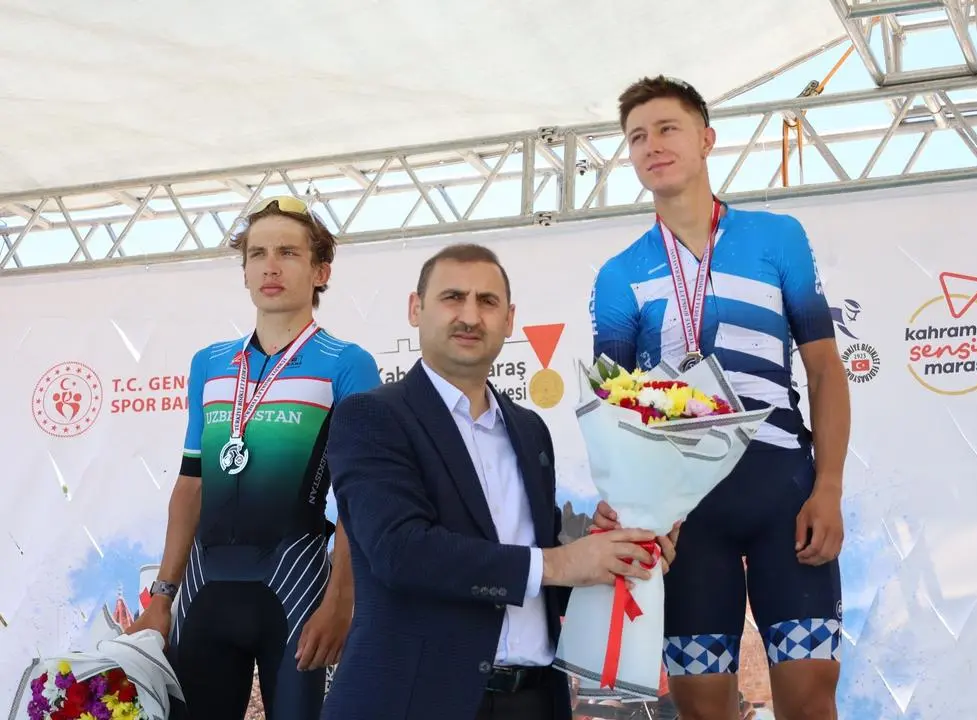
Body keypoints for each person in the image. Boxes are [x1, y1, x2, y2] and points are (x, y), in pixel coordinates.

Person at [320, 243, 677, 720]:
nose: (470, 316)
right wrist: (560, 562)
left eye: (487, 302)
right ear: (415, 309)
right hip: (415, 702)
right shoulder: (371, 417)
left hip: (534, 701)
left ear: (509, 320)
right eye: (453, 297)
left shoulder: (530, 430)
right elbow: (400, 551)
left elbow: (539, 574)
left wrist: (618, 552)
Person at [588, 76, 850, 720]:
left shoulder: (777, 238)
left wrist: (829, 488)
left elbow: (823, 368)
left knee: (810, 700)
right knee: (703, 709)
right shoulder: (618, 274)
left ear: (706, 139)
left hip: (783, 491)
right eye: (637, 137)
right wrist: (625, 502)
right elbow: (615, 406)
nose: (652, 145)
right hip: (685, 513)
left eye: (667, 129)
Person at [125, 196, 382, 719]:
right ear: (243, 272)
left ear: (321, 271)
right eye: (257, 254)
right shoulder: (211, 364)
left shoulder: (347, 364)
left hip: (295, 590)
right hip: (204, 593)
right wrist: (162, 596)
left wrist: (341, 600)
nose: (270, 266)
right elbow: (191, 484)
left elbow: (363, 499)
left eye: (288, 252)